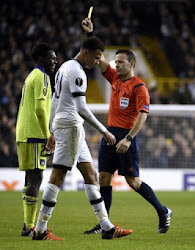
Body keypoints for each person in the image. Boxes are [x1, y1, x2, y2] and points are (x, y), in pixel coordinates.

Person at [32, 37, 132, 240]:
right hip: (70, 127)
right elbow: (80, 108)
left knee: (91, 175)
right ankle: (40, 229)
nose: (97, 62)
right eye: (96, 58)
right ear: (86, 53)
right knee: (58, 176)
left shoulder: (64, 67)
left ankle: (107, 227)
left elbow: (55, 101)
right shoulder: (77, 71)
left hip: (68, 125)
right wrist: (104, 130)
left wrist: (52, 130)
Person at [81, 18, 172, 234]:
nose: (116, 64)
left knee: (133, 181)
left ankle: (162, 211)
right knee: (103, 177)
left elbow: (143, 115)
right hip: (109, 133)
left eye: (120, 62)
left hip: (126, 136)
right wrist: (89, 34)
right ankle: (105, 224)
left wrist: (129, 138)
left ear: (132, 64)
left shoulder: (140, 87)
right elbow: (99, 57)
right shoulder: (114, 79)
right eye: (116, 61)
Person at [16, 43, 57, 237]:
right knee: (35, 177)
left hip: (24, 133)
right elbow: (40, 110)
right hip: (34, 134)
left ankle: (27, 224)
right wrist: (47, 134)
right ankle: (31, 226)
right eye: (52, 58)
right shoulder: (42, 77)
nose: (55, 61)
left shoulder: (31, 76)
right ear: (41, 59)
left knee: (30, 178)